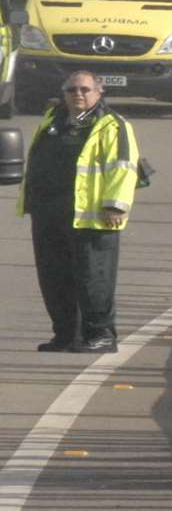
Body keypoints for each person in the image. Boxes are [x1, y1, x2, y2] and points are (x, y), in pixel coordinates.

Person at [19, 72, 140, 353]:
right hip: (49, 213)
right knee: (53, 276)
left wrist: (115, 205)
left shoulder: (112, 125)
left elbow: (124, 167)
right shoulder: (53, 120)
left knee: (93, 278)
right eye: (71, 89)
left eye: (85, 89)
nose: (78, 94)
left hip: (93, 216)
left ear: (99, 92)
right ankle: (65, 334)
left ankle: (101, 334)